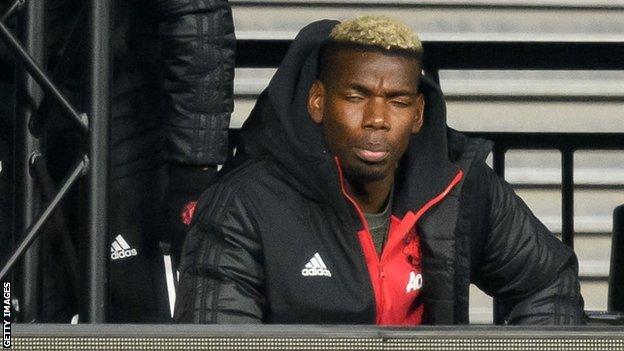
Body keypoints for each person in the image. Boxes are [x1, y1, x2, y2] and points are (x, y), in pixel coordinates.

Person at [174, 16, 584, 325]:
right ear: (317, 101)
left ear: (419, 113)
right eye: (356, 96)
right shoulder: (244, 203)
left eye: (398, 101)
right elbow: (216, 338)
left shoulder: (459, 185)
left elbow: (548, 283)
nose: (377, 119)